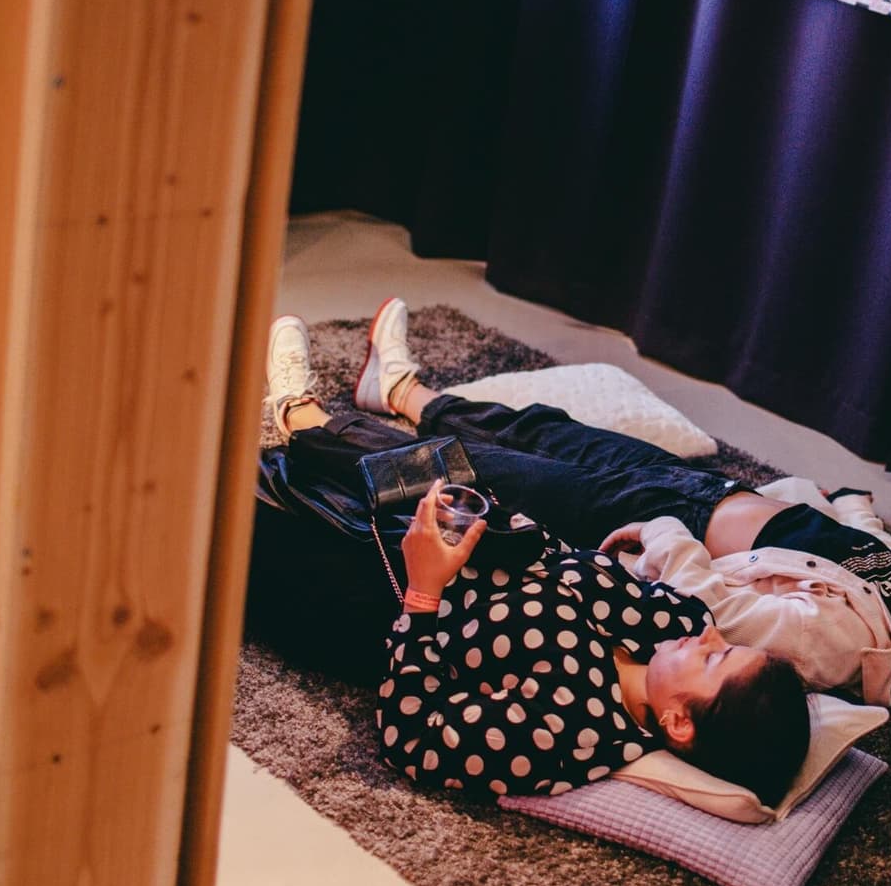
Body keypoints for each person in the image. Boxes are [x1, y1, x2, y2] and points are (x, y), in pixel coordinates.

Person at [345, 296, 891, 708]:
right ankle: (400, 392)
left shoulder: (847, 652)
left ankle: (321, 441)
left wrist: (665, 538)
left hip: (665, 525)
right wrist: (850, 506)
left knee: (482, 474)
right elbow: (868, 541)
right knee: (548, 430)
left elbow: (722, 611)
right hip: (708, 491)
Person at [261, 316, 811, 805]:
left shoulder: (571, 730)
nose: (712, 638)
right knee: (411, 463)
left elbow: (415, 741)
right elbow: (606, 572)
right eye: (729, 646)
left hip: (381, 599)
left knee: (225, 515)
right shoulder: (676, 626)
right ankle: (300, 413)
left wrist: (424, 593)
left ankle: (290, 439)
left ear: (678, 724)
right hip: (468, 531)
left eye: (714, 661)